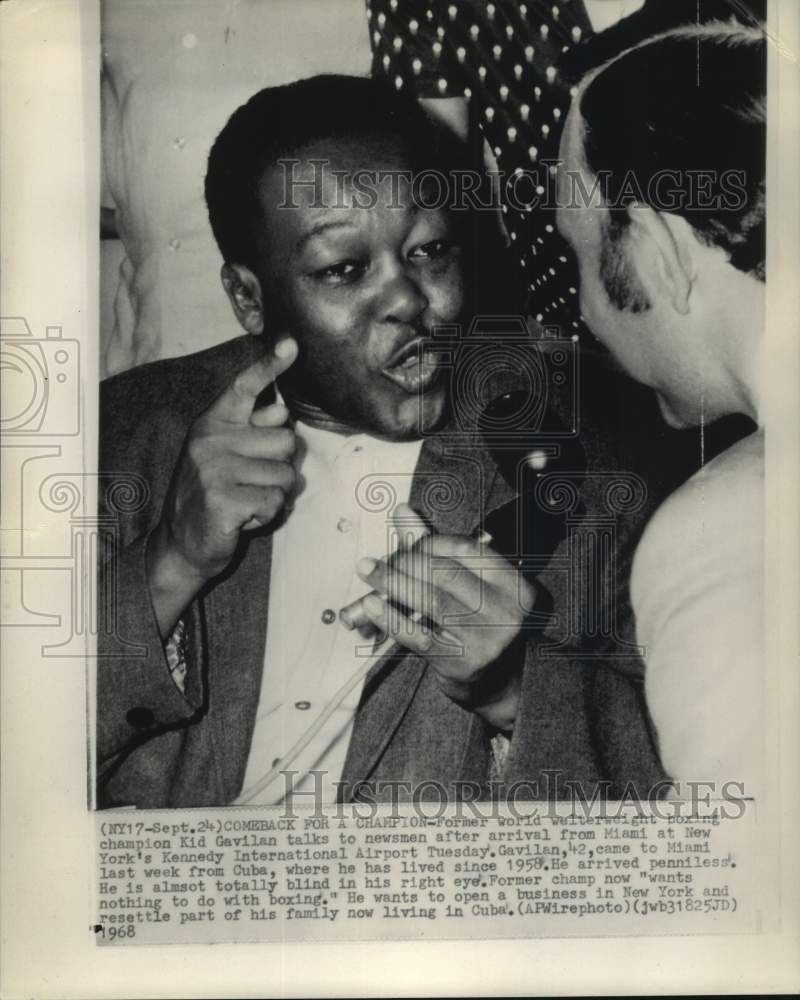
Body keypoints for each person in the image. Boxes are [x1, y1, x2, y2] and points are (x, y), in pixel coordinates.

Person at [97, 75, 667, 809]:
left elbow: (670, 797)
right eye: (344, 269)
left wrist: (518, 691)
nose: (407, 300)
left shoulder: (585, 457)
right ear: (248, 298)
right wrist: (167, 564)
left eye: (430, 251)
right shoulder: (120, 433)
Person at [556, 22, 766, 793]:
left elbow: (743, 895)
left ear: (656, 250)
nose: (583, 306)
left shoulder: (720, 530)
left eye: (578, 252)